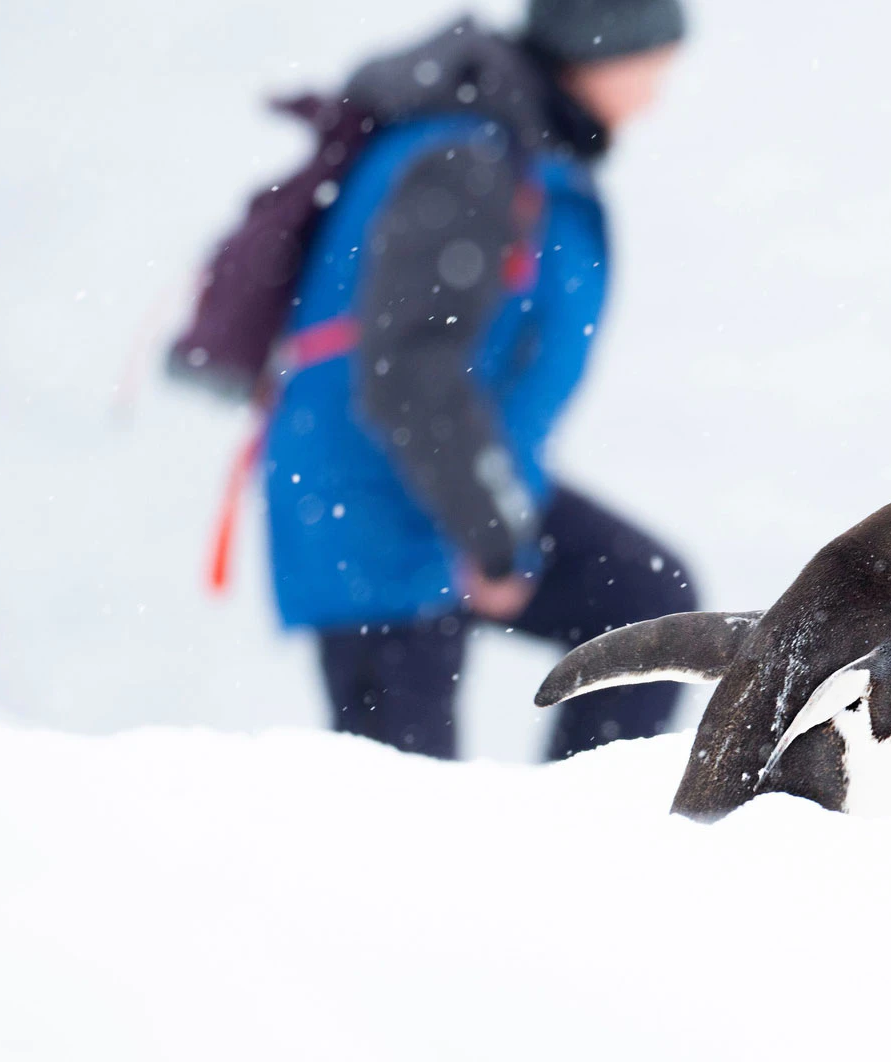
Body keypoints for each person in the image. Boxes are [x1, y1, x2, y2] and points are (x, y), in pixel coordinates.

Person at [261, 0, 694, 761]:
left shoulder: (517, 149)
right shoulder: (469, 158)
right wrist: (492, 540)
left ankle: (584, 841)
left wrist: (493, 523)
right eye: (650, 67)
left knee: (644, 602)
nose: (658, 95)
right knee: (404, 818)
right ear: (598, 48)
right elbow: (409, 369)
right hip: (376, 520)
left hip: (442, 491)